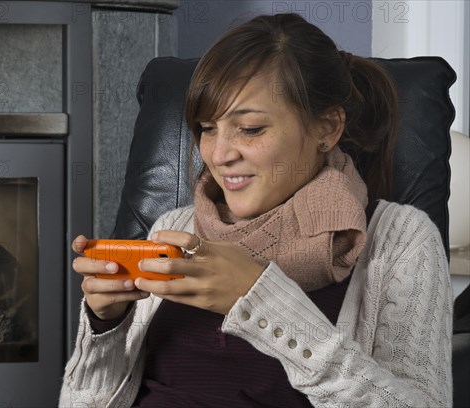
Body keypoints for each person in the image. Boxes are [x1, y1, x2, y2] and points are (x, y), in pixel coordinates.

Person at [59, 13, 452, 407]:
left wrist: (260, 300)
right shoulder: (173, 226)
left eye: (249, 129)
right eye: (207, 128)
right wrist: (105, 326)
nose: (218, 154)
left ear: (327, 128)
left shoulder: (400, 240)